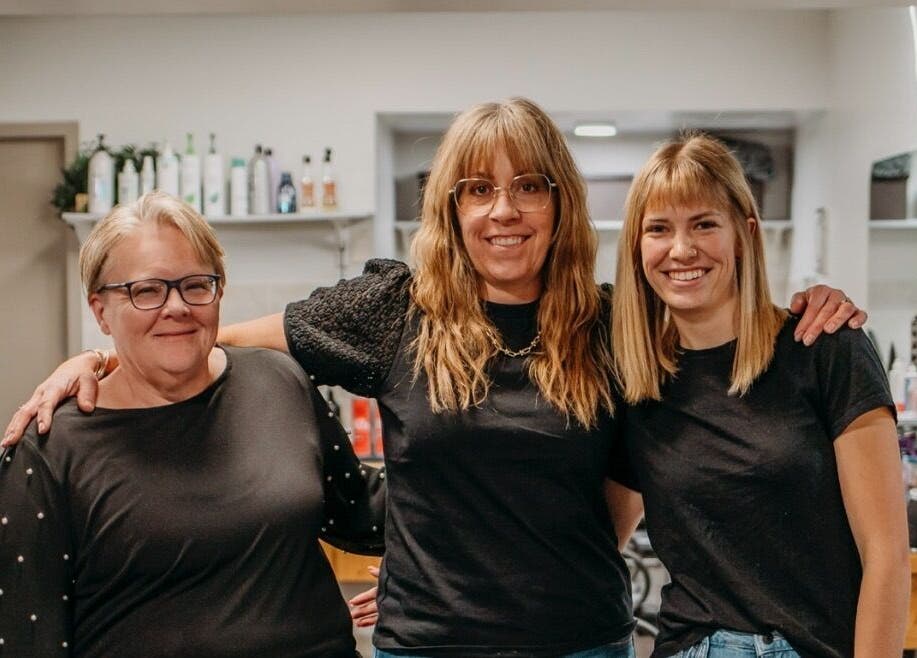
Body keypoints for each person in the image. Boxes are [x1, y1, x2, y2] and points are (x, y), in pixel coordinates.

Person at [1, 100, 865, 657]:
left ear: (560, 200)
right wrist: (107, 350)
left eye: (529, 185)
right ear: (448, 207)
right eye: (477, 189)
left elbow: (708, 330)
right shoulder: (397, 310)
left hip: (580, 642)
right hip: (430, 647)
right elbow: (208, 329)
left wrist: (811, 308)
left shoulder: (611, 323)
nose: (504, 209)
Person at [0, 192, 385, 657]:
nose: (177, 307)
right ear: (100, 311)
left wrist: (432, 571)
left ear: (218, 291)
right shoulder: (49, 448)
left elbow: (362, 507)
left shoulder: (279, 381)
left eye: (196, 285)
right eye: (146, 290)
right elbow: (28, 632)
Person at [610, 134, 909, 658]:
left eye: (704, 223)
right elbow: (597, 537)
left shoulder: (824, 347)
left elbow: (884, 554)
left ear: (745, 233)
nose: (682, 249)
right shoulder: (637, 383)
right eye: (659, 229)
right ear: (637, 248)